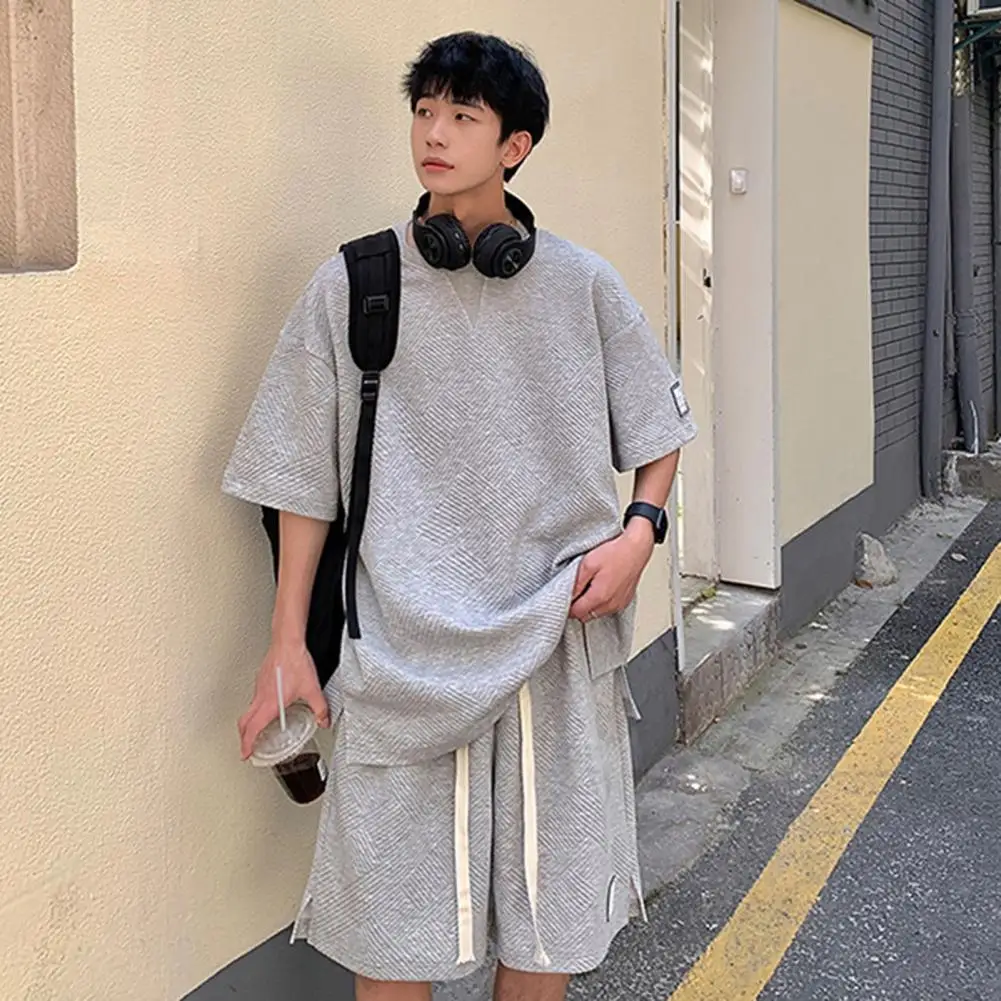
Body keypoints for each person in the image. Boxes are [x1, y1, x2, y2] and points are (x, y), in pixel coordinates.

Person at [222, 30, 697, 1001]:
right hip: (399, 657)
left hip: (554, 642)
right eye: (423, 111)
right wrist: (286, 643)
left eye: (462, 116)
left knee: (546, 922)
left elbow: (660, 430)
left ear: (514, 145)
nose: (433, 134)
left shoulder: (583, 287)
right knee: (395, 936)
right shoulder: (355, 285)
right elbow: (299, 482)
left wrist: (639, 534)